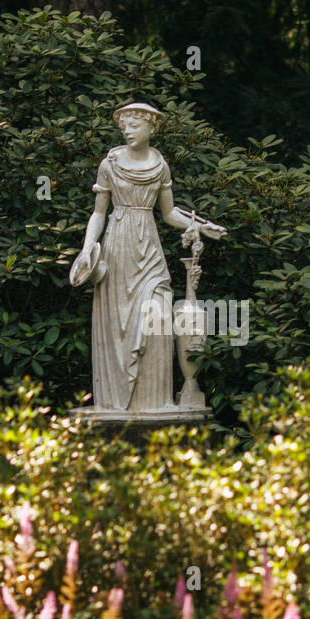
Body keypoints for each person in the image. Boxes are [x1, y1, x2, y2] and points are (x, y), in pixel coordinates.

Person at [72, 101, 226, 411]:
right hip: (118, 246)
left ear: (150, 127)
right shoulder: (110, 163)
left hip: (149, 247)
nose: (127, 131)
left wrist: (203, 226)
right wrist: (89, 246)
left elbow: (169, 214)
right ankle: (119, 401)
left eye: (134, 125)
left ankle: (156, 400)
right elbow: (99, 213)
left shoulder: (160, 164)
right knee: (119, 325)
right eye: (124, 126)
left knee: (157, 312)